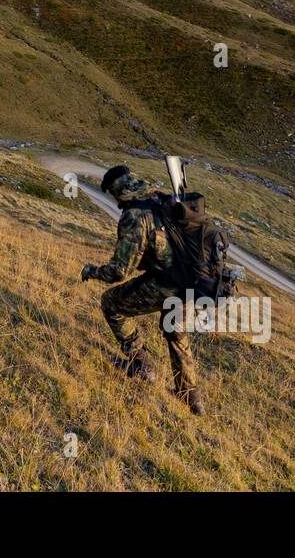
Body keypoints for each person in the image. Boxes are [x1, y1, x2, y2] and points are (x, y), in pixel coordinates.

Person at [80, 165, 204, 415]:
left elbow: (120, 271)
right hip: (191, 281)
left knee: (111, 304)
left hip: (166, 283)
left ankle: (141, 366)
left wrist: (93, 271)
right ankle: (191, 398)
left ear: (116, 192)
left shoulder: (135, 216)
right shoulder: (161, 198)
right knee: (176, 333)